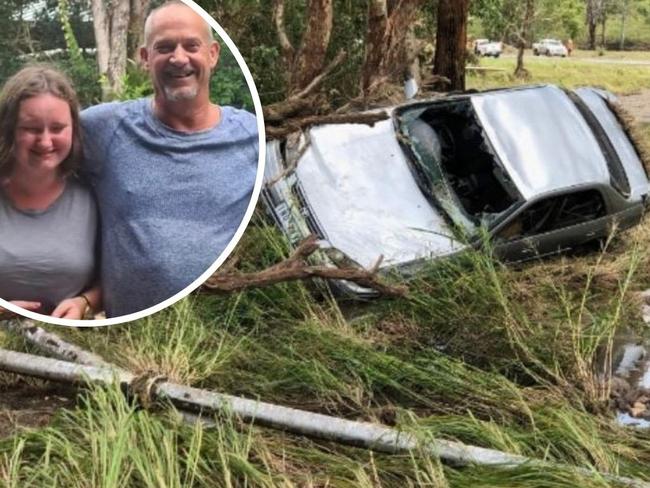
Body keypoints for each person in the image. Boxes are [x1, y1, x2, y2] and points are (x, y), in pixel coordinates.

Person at [80, 1, 258, 317]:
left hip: (236, 332)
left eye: (191, 45)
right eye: (164, 48)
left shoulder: (253, 135)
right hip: (136, 338)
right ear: (145, 58)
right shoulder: (103, 128)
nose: (179, 58)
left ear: (213, 54)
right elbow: (24, 148)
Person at [0, 65, 101, 320]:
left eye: (57, 128)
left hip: (70, 347)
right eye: (32, 129)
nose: (45, 142)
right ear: (9, 129)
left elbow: (117, 275)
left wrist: (85, 303)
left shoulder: (94, 194)